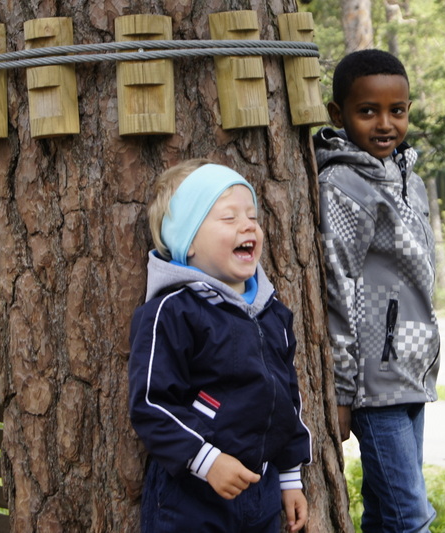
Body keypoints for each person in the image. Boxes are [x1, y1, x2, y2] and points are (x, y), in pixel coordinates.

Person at [128, 160, 311, 533]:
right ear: (188, 242)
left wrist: (290, 479)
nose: (248, 225)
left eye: (252, 216)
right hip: (191, 496)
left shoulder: (273, 313)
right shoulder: (173, 311)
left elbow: (286, 399)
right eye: (228, 218)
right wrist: (207, 460)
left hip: (260, 490)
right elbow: (151, 402)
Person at [313, 49, 440, 532]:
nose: (385, 123)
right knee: (411, 517)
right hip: (373, 383)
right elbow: (336, 286)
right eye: (368, 111)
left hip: (411, 374)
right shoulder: (345, 183)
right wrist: (342, 391)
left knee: (388, 514)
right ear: (338, 114)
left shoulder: (410, 176)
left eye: (398, 110)